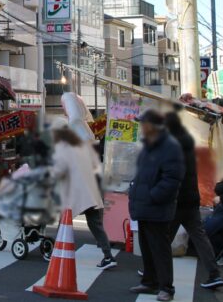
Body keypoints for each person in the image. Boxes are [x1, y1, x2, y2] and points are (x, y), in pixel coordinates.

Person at [163, 112, 223, 289]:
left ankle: (154, 271)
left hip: (177, 201)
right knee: (200, 237)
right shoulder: (189, 146)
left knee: (163, 238)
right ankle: (214, 274)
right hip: (191, 200)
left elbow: (171, 176)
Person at [128, 109, 185, 302]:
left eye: (142, 123)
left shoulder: (169, 146)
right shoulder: (149, 146)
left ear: (152, 126)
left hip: (157, 207)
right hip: (145, 206)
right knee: (147, 247)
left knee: (160, 249)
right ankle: (149, 281)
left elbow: (172, 178)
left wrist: (153, 196)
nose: (140, 127)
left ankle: (166, 287)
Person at [49, 118, 117, 270]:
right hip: (91, 190)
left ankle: (59, 252)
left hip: (75, 193)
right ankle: (108, 256)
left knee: (64, 222)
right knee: (96, 225)